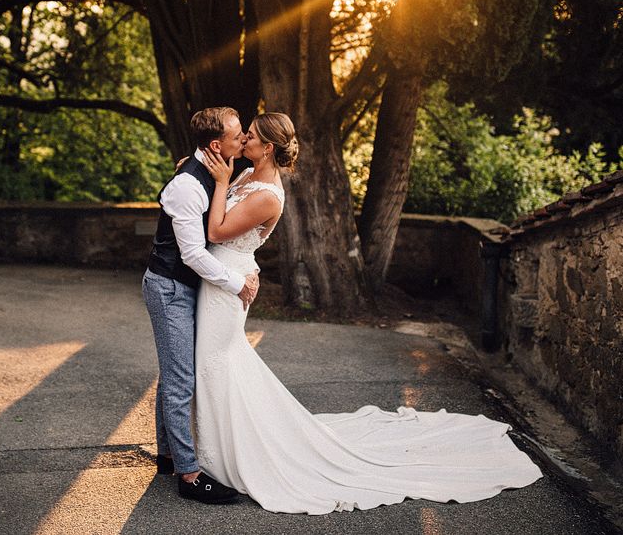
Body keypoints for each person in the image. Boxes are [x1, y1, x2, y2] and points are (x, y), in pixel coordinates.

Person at [193, 111, 544, 514]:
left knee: (216, 359)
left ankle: (224, 454)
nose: (243, 140)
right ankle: (215, 445)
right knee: (217, 359)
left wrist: (221, 182)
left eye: (250, 136)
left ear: (267, 147)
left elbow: (217, 231)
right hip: (219, 277)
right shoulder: (246, 174)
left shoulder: (268, 194)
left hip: (228, 281)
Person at [142, 106, 259, 504]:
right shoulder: (187, 187)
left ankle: (167, 455)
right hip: (170, 288)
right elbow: (192, 253)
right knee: (180, 379)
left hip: (187, 287)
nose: (243, 138)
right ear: (216, 144)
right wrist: (236, 283)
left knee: (173, 372)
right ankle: (190, 476)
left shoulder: (217, 169)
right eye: (238, 133)